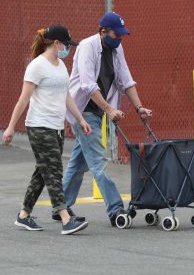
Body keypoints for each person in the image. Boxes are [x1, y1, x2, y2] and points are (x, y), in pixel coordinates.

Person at [52, 12, 152, 226]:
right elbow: (88, 86)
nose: (120, 39)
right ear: (103, 31)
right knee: (98, 161)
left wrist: (139, 107)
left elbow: (126, 79)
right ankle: (116, 210)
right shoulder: (88, 48)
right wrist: (109, 110)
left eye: (122, 36)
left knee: (80, 161)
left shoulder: (116, 48)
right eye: (117, 35)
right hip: (82, 112)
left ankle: (59, 205)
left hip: (99, 111)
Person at [2, 24, 92, 235]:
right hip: (38, 126)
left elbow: (66, 95)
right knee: (53, 171)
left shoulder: (60, 65)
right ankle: (65, 218)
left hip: (56, 126)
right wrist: (10, 127)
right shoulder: (37, 66)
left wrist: (80, 119)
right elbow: (23, 99)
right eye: (66, 45)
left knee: (42, 172)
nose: (68, 49)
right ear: (56, 43)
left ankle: (24, 215)